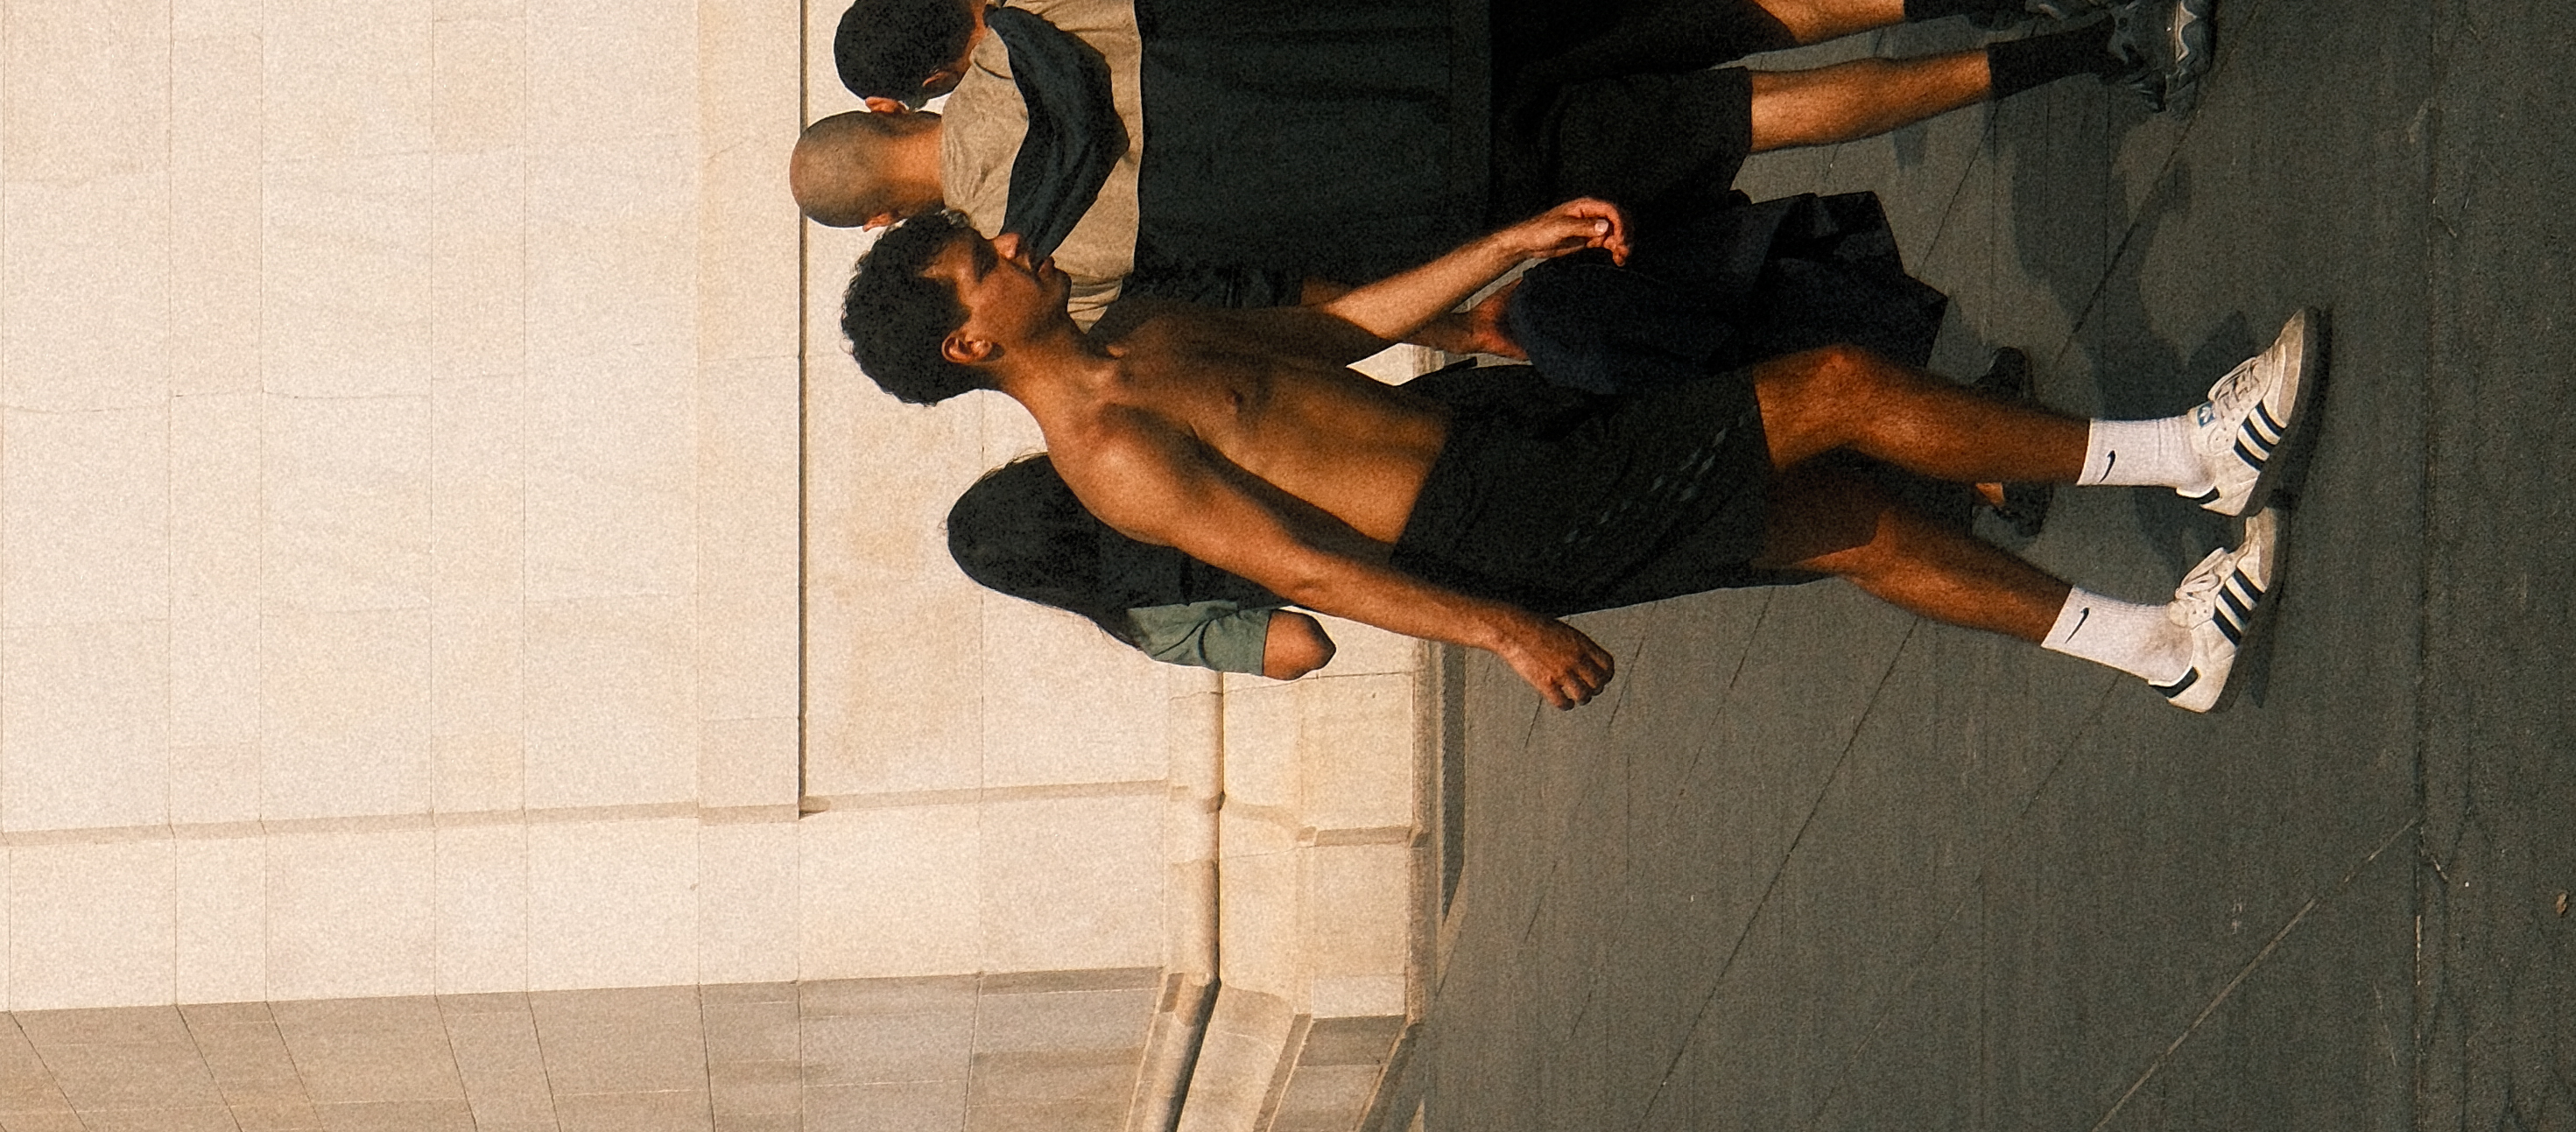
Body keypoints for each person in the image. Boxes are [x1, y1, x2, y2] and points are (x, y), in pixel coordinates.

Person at [855, 201, 2319, 712]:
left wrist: (1509, 245)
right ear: (970, 348)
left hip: (1490, 447)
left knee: (1852, 523)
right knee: (1828, 389)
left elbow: (1345, 335)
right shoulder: (1106, 453)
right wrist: (1500, 627)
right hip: (1504, 526)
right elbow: (1306, 570)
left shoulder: (1148, 332)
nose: (1012, 246)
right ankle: (2189, 452)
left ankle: (2157, 648)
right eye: (981, 265)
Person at [807, 0, 2192, 327]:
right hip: (1441, 30)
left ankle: (2098, 47)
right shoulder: (1035, 25)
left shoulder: (1051, 264)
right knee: (1729, 5)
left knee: (1751, 119)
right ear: (889, 109)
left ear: (884, 218)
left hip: (1453, 175)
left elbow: (1265, 299)